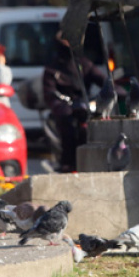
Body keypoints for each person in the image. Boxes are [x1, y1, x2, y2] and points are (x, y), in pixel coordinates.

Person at [42, 33, 107, 173]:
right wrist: (59, 105)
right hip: (64, 107)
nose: (68, 44)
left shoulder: (84, 64)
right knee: (67, 124)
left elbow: (103, 80)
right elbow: (48, 92)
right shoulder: (53, 68)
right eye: (65, 41)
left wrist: (115, 89)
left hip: (84, 104)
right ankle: (67, 161)